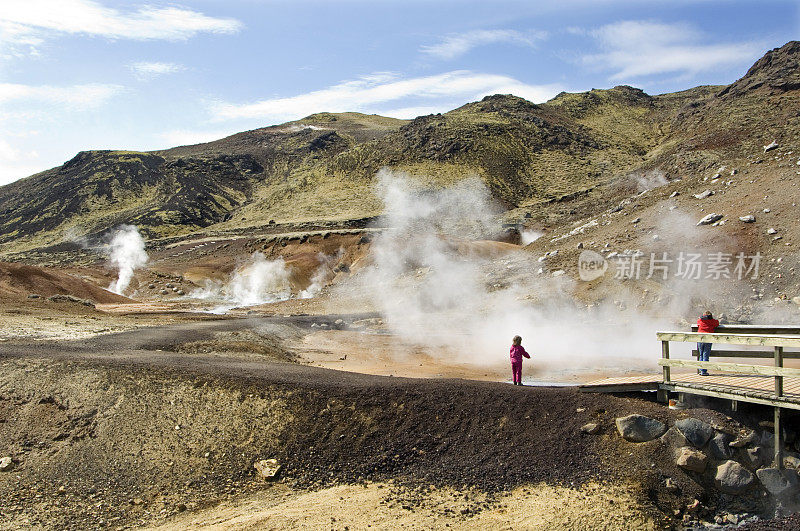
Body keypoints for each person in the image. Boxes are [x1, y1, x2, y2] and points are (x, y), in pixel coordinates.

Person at [696, 311, 719, 376]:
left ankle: (701, 370)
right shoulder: (712, 321)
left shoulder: (700, 320)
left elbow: (698, 323)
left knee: (701, 355)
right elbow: (717, 323)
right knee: (705, 354)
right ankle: (704, 371)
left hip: (700, 338)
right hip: (708, 339)